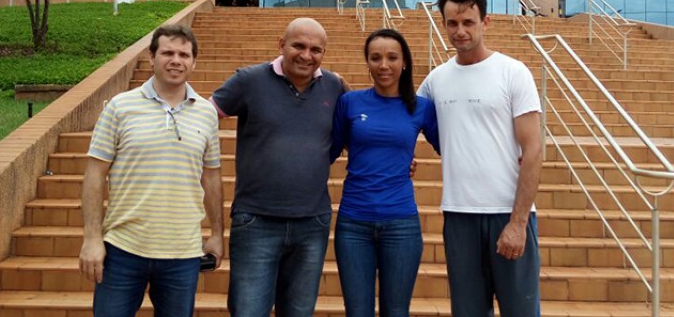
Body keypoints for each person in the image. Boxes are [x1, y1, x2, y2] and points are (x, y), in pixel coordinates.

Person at [78, 24, 223, 317]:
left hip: (182, 252)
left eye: (184, 54)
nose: (176, 60)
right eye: (167, 52)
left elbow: (212, 176)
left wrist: (218, 233)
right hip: (123, 249)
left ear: (194, 61)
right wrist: (92, 237)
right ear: (151, 57)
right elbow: (94, 174)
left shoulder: (206, 113)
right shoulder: (120, 107)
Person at [417, 0, 543, 317]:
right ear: (443, 24)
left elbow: (533, 149)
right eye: (452, 23)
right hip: (459, 215)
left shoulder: (512, 72)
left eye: (468, 22)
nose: (460, 31)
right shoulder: (435, 80)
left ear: (485, 22)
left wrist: (517, 223)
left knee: (521, 310)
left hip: (507, 212)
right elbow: (404, 122)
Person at [210, 17, 347, 317]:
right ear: (281, 45)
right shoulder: (248, 80)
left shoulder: (335, 86)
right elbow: (203, 117)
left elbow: (358, 133)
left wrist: (399, 160)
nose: (306, 55)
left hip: (313, 223)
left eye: (316, 49)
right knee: (248, 311)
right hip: (256, 221)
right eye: (298, 45)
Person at [331, 28, 439, 317]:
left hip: (401, 224)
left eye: (392, 57)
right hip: (354, 223)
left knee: (396, 311)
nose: (383, 65)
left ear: (404, 62)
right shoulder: (349, 102)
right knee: (357, 311)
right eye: (375, 58)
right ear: (367, 62)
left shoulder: (421, 107)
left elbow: (451, 148)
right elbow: (328, 151)